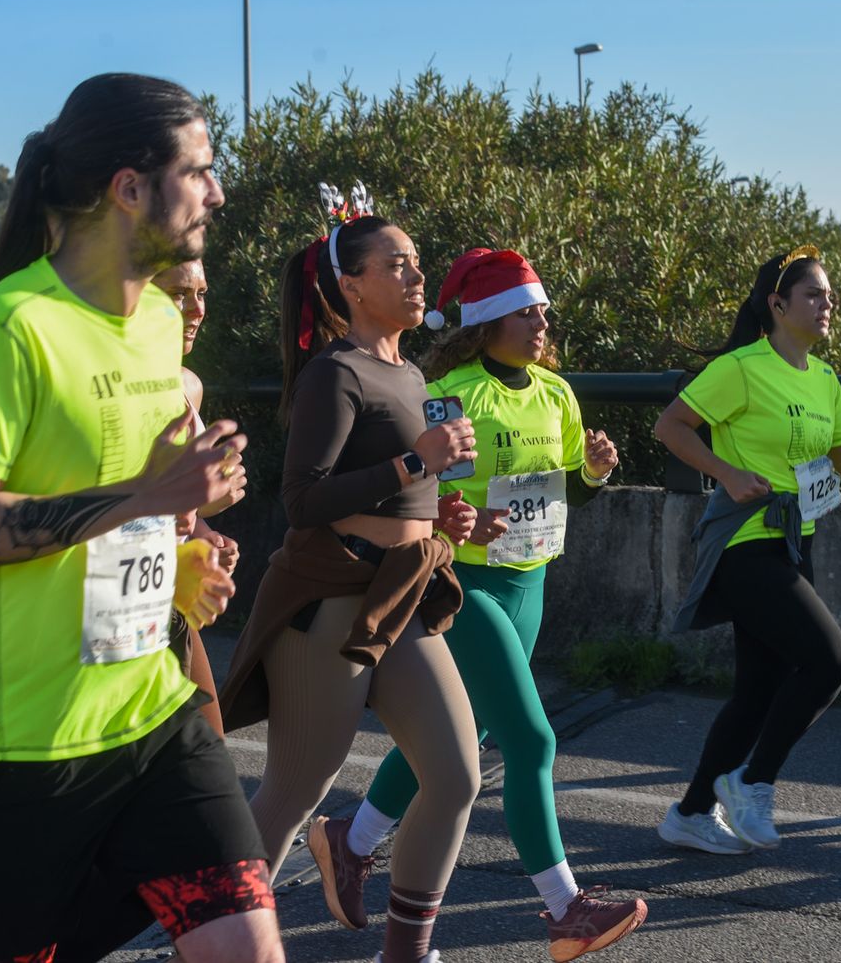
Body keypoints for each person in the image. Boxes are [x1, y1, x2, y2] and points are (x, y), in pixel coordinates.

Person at [0, 73, 280, 963]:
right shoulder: (7, 330)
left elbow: (138, 496)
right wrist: (148, 498)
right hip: (21, 746)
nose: (218, 192)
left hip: (150, 710)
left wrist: (187, 521)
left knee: (250, 946)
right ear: (128, 188)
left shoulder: (159, 322)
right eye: (199, 170)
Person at [309, 248, 647, 962]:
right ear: (489, 319)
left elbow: (563, 492)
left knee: (468, 736)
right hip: (466, 587)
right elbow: (428, 494)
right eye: (526, 311)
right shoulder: (454, 391)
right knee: (531, 740)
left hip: (531, 584)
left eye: (543, 311)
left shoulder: (555, 393)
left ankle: (353, 838)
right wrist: (461, 514)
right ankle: (564, 908)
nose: (541, 322)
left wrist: (592, 472)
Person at [216, 186, 481, 963]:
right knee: (295, 792)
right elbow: (301, 500)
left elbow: (408, 486)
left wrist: (445, 521)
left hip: (399, 598)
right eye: (394, 265)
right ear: (352, 284)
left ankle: (406, 953)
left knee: (457, 774)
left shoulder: (411, 373)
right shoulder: (336, 372)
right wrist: (415, 461)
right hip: (329, 603)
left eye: (416, 264)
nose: (414, 276)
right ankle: (215, 945)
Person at [652, 246, 841, 853]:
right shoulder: (741, 367)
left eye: (829, 295)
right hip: (745, 543)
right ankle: (753, 780)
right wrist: (724, 471)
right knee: (829, 662)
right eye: (814, 294)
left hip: (796, 543)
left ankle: (691, 812)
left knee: (757, 691)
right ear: (777, 305)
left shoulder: (823, 378)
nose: (828, 304)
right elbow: (670, 426)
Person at [154, 256, 242, 738]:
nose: (195, 310)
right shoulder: (99, 385)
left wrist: (206, 538)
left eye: (201, 293)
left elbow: (184, 514)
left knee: (210, 753)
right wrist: (201, 502)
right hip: (104, 610)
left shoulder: (188, 385)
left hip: (171, 600)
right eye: (176, 294)